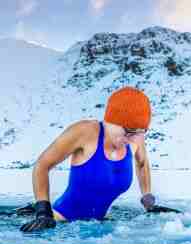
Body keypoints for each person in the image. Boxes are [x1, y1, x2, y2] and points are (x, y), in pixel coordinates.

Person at [19, 86, 156, 232]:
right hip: (60, 223)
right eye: (129, 131)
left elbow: (142, 163)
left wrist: (147, 198)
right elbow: (42, 165)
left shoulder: (134, 139)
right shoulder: (85, 132)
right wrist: (43, 212)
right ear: (111, 121)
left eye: (140, 132)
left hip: (99, 225)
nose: (133, 138)